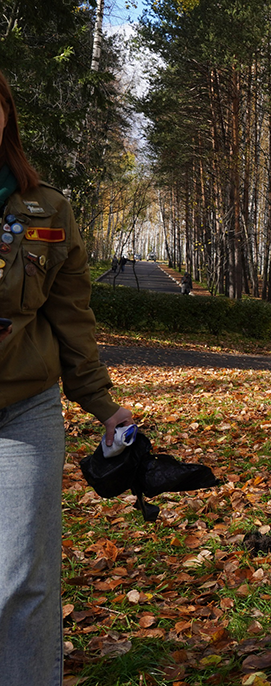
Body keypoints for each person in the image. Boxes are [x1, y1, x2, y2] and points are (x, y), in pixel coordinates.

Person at [0, 70, 134, 686]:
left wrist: (102, 404)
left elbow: (70, 313)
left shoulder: (46, 208)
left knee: (22, 575)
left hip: (25, 409)